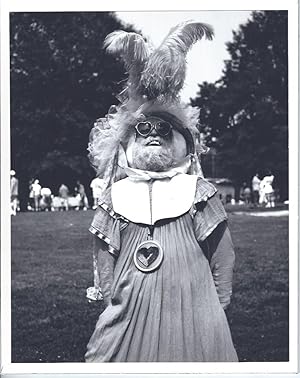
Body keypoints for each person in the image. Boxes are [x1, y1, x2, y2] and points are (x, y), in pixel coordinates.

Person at [85, 21, 238, 362]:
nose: (153, 134)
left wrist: (217, 305)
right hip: (127, 312)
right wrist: (113, 302)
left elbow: (222, 254)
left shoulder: (199, 191)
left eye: (164, 129)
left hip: (197, 311)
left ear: (182, 140)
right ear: (126, 142)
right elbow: (104, 258)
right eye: (143, 129)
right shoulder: (114, 197)